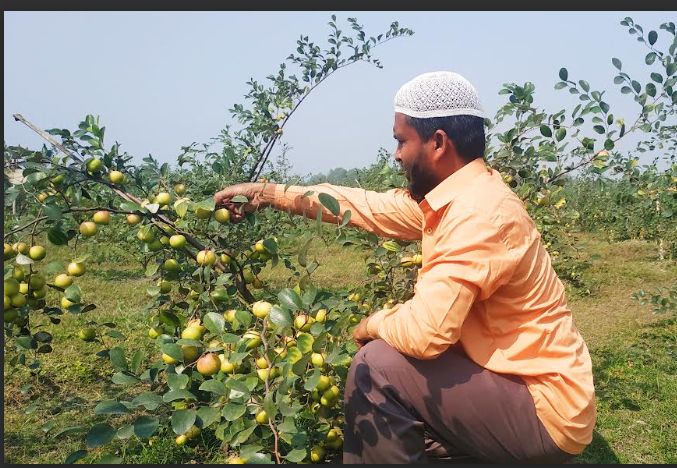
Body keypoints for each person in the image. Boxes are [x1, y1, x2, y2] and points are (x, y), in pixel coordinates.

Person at [214, 71, 596, 464]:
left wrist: (371, 324)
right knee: (403, 419)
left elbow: (427, 334)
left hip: (544, 411)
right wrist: (269, 193)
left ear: (438, 143)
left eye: (401, 140)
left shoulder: (479, 213)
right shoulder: (461, 198)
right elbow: (363, 205)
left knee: (377, 365)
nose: (396, 154)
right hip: (511, 385)